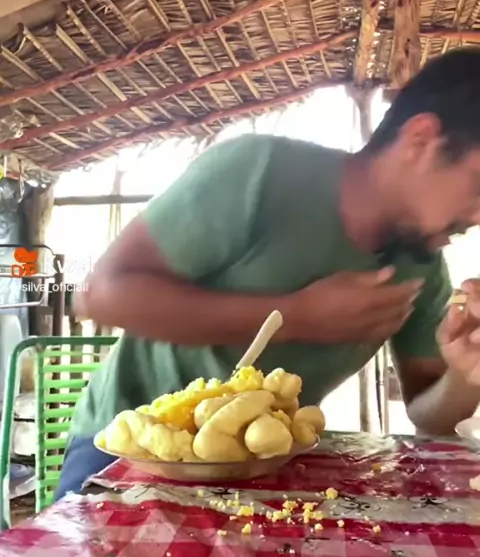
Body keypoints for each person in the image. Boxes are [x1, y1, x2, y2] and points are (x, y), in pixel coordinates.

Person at [57, 48, 480, 498]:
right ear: (420, 140)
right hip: (129, 452)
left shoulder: (420, 262)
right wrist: (298, 317)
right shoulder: (259, 174)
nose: (477, 216)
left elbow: (427, 413)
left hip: (267, 468)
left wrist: (464, 374)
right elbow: (101, 294)